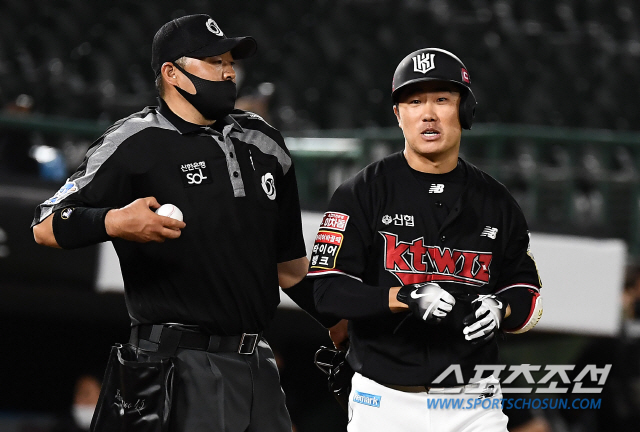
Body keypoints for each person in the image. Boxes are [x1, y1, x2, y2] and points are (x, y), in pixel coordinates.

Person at [32, 14, 337, 432]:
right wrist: (115, 221)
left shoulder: (265, 142)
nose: (229, 72)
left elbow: (289, 270)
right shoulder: (134, 139)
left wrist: (342, 324)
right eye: (213, 61)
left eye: (230, 61)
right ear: (171, 73)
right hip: (176, 364)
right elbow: (46, 223)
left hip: (257, 364)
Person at [307, 48, 543, 432]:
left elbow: (527, 293)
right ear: (398, 114)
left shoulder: (497, 202)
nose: (428, 113)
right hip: (384, 401)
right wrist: (404, 297)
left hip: (473, 403)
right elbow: (327, 291)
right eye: (415, 101)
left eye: (442, 100)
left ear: (464, 110)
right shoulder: (361, 193)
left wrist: (501, 308)